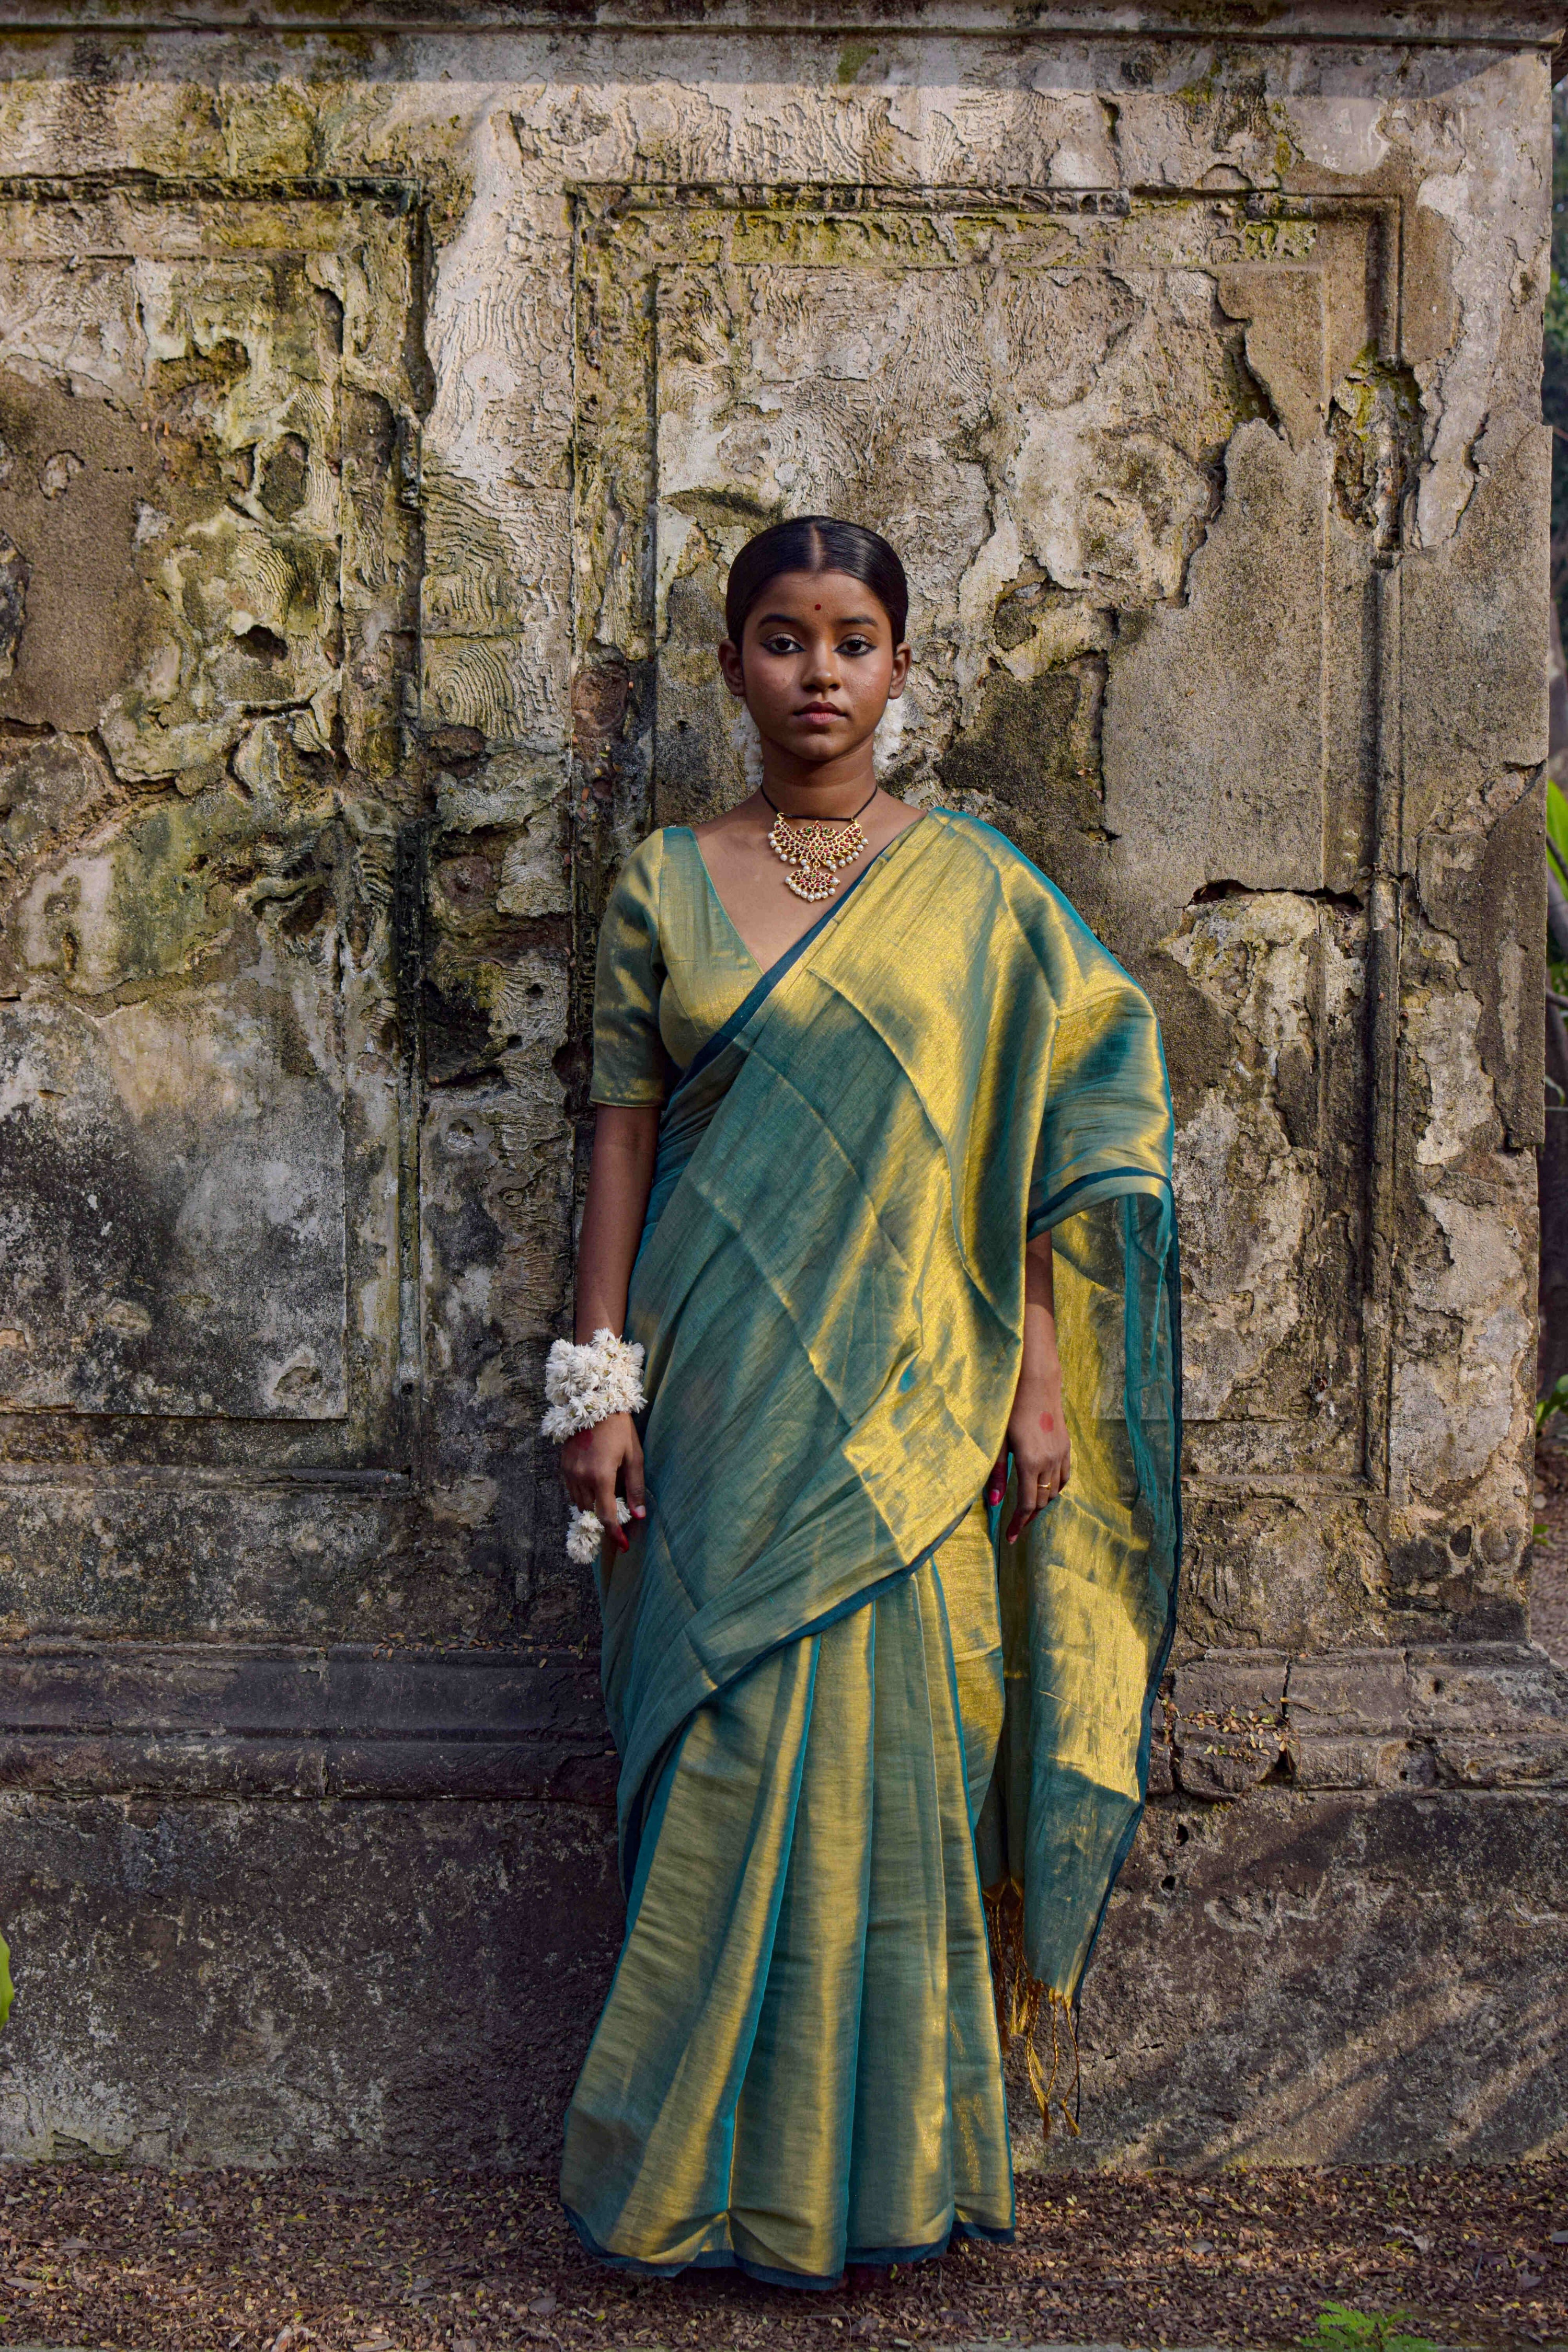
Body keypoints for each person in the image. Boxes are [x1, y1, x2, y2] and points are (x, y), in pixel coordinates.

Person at [551, 516, 1180, 2289]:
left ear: (903, 668)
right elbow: (615, 1140)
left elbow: (1050, 1134)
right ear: (735, 664)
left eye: (851, 639)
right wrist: (594, 1383)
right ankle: (679, 2178)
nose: (817, 672)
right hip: (719, 1379)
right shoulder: (665, 882)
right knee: (723, 1754)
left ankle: (884, 2174)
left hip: (925, 1398)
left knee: (905, 1763)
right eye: (779, 639)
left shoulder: (978, 892)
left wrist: (1038, 1377)